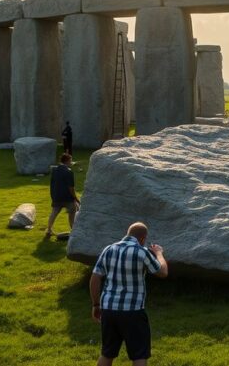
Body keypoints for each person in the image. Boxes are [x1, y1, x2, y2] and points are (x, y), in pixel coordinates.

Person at [90, 222, 168, 365]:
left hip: (108, 309)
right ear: (143, 238)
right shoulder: (141, 251)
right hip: (133, 311)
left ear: (128, 233)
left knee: (107, 353)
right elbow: (162, 272)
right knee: (139, 355)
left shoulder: (108, 249)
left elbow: (95, 277)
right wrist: (159, 253)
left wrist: (96, 304)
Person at [45, 153, 79, 240]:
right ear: (67, 161)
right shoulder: (69, 171)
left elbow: (52, 184)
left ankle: (48, 230)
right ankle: (73, 230)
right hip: (67, 197)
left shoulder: (54, 170)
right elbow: (71, 188)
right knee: (72, 213)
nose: (71, 162)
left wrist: (53, 195)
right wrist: (75, 198)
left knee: (54, 213)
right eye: (70, 160)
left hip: (56, 196)